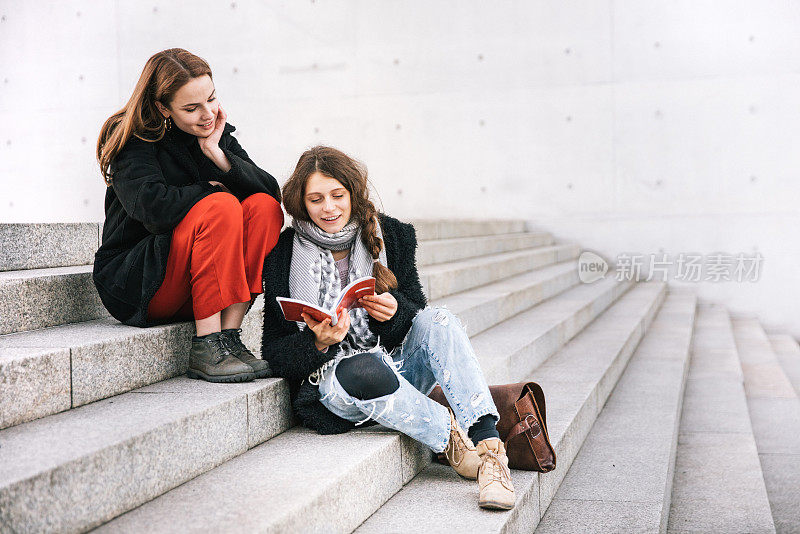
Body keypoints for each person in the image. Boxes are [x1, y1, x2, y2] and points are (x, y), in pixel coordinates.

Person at [261, 146, 515, 510]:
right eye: (316, 200)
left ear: (352, 193)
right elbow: (274, 352)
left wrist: (395, 313)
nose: (329, 208)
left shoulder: (391, 234)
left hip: (398, 366)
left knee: (439, 319)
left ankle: (490, 452)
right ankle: (450, 438)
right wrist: (317, 344)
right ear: (301, 202)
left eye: (337, 196)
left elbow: (418, 315)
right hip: (339, 385)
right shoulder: (283, 252)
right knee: (364, 367)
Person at [94, 48, 283, 383]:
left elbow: (270, 192)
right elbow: (153, 209)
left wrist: (217, 153)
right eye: (192, 108)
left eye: (211, 99)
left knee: (263, 208)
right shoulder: (131, 138)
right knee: (221, 205)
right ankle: (206, 345)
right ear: (162, 107)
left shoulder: (213, 133)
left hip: (200, 284)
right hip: (143, 282)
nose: (208, 114)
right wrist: (210, 191)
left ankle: (228, 337)